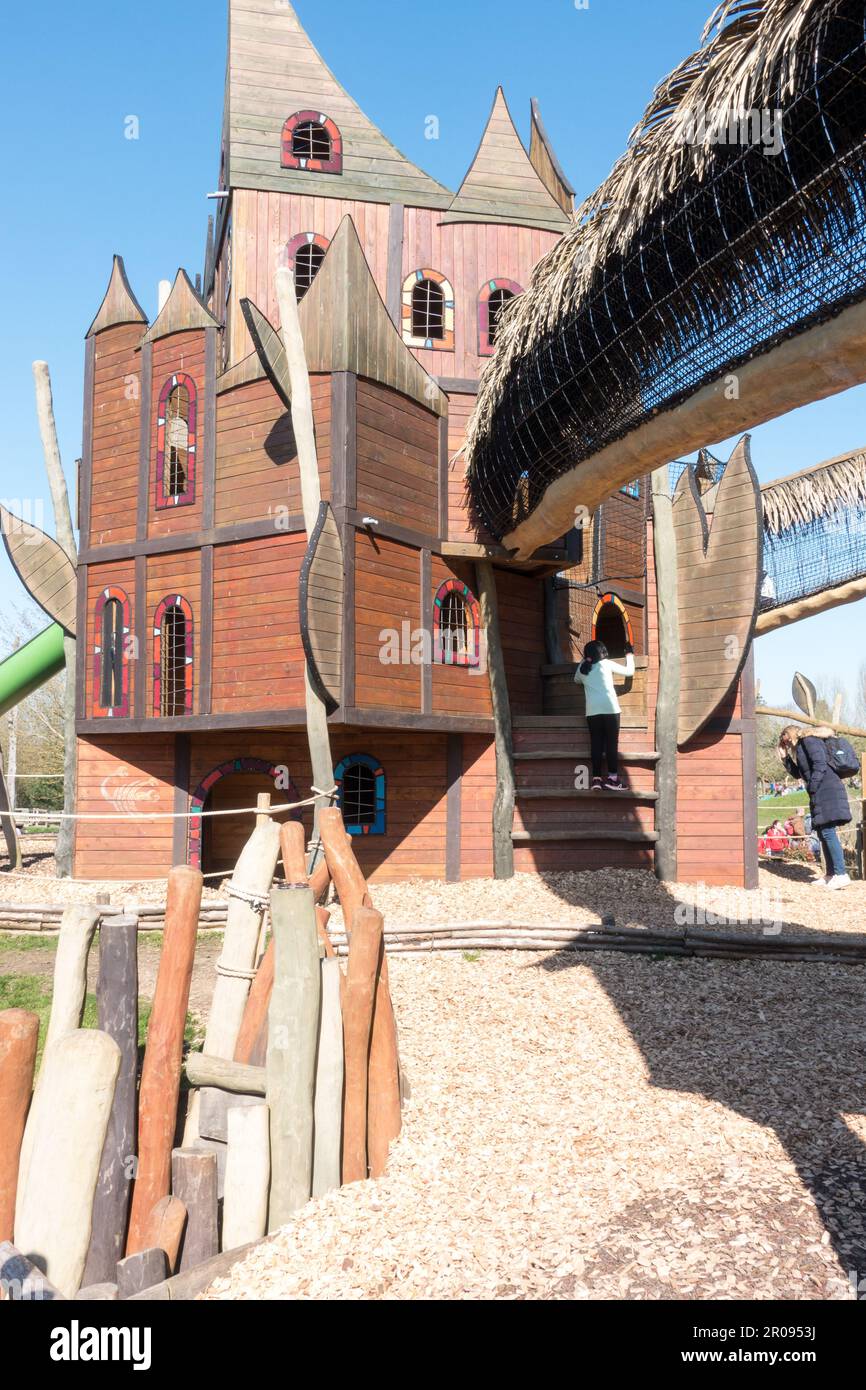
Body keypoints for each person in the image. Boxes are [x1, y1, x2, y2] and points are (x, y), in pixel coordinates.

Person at [777, 725, 852, 889]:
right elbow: (799, 773)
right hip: (820, 789)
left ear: (789, 735)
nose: (785, 744)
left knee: (828, 832)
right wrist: (786, 758)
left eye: (784, 740)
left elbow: (820, 764)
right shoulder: (801, 747)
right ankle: (831, 875)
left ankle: (841, 874)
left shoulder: (809, 740)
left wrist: (812, 786)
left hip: (827, 789)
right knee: (823, 833)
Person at [573, 638, 635, 790]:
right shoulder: (606, 664)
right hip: (610, 710)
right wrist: (629, 655)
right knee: (611, 745)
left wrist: (585, 662)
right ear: (602, 652)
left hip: (592, 712)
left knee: (596, 744)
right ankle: (613, 779)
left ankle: (596, 780)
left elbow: (576, 680)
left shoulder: (583, 667)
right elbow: (629, 671)